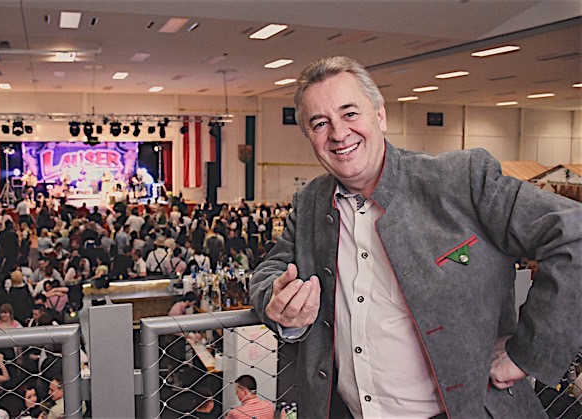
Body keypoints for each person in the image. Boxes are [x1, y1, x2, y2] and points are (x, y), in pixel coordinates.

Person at [249, 56, 582, 418]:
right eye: (319, 123)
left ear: (380, 115)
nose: (339, 133)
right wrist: (277, 304)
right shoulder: (311, 203)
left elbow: (573, 232)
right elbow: (269, 272)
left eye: (350, 113)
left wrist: (527, 353)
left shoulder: (460, 181)